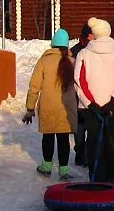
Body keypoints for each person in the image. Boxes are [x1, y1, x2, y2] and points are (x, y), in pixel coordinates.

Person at [74, 18, 114, 181]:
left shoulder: (84, 53)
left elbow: (79, 80)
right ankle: (111, 179)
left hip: (91, 108)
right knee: (111, 143)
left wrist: (90, 103)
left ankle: (96, 178)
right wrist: (113, 102)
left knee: (93, 142)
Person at [24, 28, 78, 176]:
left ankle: (47, 167)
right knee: (63, 138)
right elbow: (80, 86)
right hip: (66, 108)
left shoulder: (43, 61)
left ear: (52, 44)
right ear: (66, 45)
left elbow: (34, 86)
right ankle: (64, 170)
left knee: (48, 137)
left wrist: (30, 108)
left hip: (48, 106)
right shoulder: (72, 62)